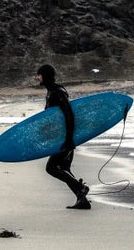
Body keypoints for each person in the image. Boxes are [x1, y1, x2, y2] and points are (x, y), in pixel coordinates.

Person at [36, 64, 91, 210]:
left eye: (39, 75)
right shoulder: (52, 92)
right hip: (62, 137)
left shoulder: (57, 92)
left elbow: (69, 115)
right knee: (64, 168)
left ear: (45, 75)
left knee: (51, 168)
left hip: (65, 138)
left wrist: (68, 139)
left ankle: (80, 187)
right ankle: (82, 200)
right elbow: (55, 118)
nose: (37, 77)